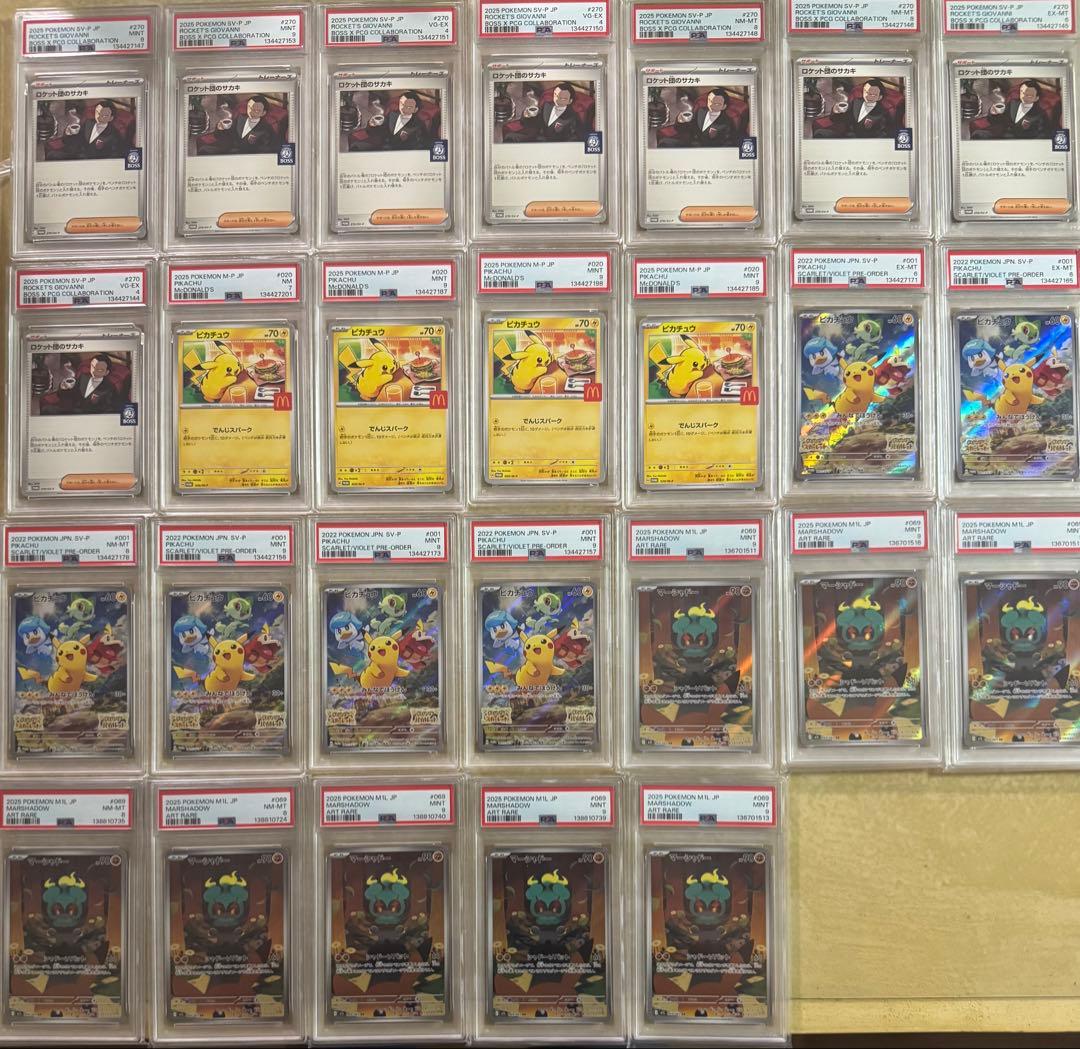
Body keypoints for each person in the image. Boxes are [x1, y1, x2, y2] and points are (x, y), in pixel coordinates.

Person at [64, 99, 128, 159]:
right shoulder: (88, 123)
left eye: (104, 116)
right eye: (97, 112)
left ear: (111, 118)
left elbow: (117, 154)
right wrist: (69, 134)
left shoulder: (114, 134)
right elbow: (76, 140)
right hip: (78, 157)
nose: (99, 117)